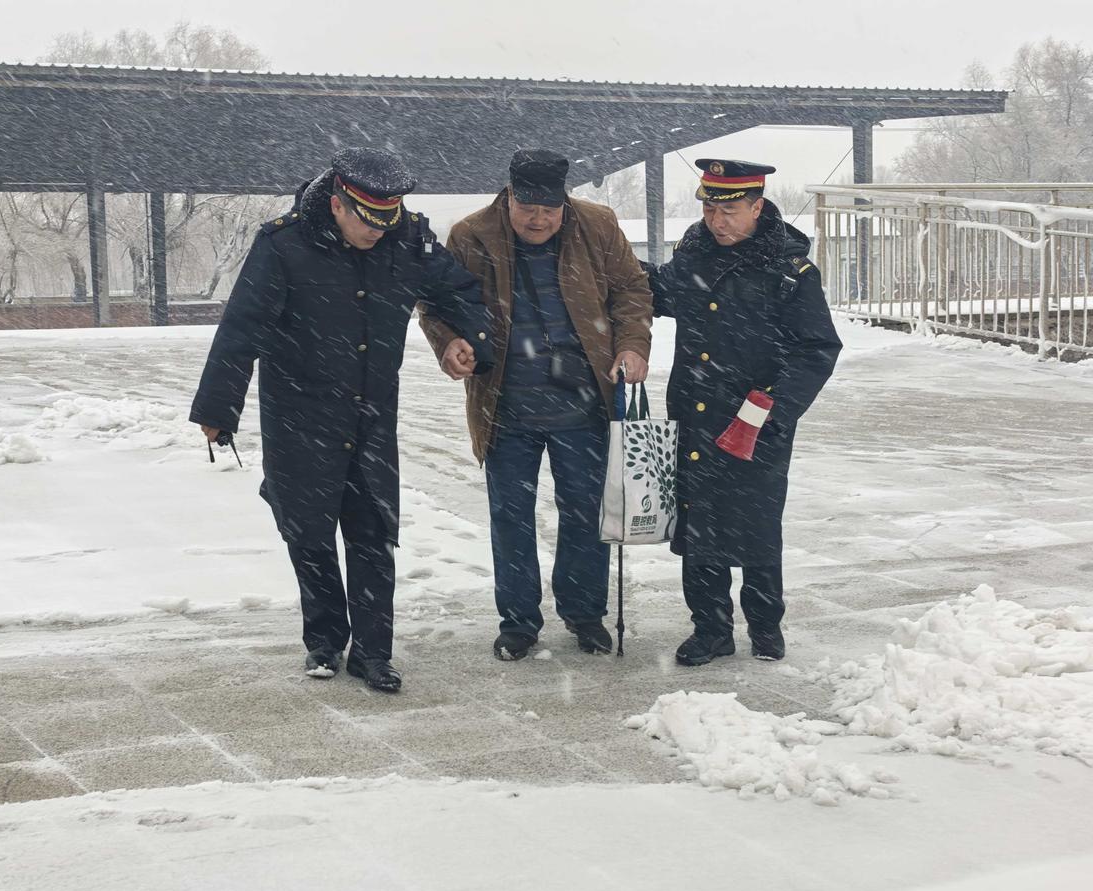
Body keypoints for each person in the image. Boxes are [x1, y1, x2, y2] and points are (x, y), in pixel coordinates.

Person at [190, 147, 494, 692]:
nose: (376, 231)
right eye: (366, 221)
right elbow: (243, 327)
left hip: (373, 414)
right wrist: (219, 409)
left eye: (387, 220)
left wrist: (469, 339)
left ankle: (375, 654)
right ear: (336, 204)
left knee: (373, 533)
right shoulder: (283, 245)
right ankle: (325, 640)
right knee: (308, 533)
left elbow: (460, 291)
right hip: (299, 414)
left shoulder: (408, 238)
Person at [419, 148, 653, 661]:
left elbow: (632, 291)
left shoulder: (598, 225)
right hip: (506, 406)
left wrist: (632, 345)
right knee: (511, 517)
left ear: (565, 203)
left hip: (584, 402)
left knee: (587, 513)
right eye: (529, 209)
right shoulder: (471, 235)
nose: (539, 220)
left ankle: (584, 613)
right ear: (510, 196)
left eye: (550, 210)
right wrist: (449, 343)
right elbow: (436, 305)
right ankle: (519, 622)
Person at [642, 158, 842, 665]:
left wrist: (772, 411)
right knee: (699, 523)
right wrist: (608, 261)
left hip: (758, 420)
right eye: (710, 208)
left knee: (756, 523)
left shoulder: (789, 269)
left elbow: (816, 348)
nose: (717, 220)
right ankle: (710, 628)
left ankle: (765, 623)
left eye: (729, 210)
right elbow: (656, 292)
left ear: (757, 206)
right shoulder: (692, 257)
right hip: (695, 413)